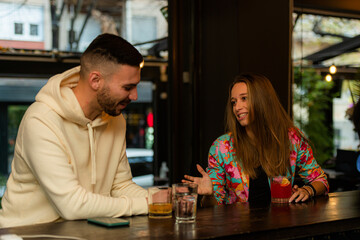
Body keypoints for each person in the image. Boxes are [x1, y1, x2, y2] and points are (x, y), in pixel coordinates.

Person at [0, 33, 148, 228]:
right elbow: (72, 205)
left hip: (83, 231)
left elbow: (120, 186)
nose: (135, 96)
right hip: (25, 233)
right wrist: (147, 204)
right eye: (128, 87)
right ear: (96, 80)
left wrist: (166, 199)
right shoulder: (41, 121)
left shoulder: (115, 120)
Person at [183, 73, 329, 205]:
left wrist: (308, 190)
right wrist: (209, 195)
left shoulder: (291, 138)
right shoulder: (222, 147)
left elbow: (320, 180)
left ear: (262, 100)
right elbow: (214, 207)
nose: (237, 107)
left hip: (281, 226)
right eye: (234, 102)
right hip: (238, 230)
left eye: (244, 99)